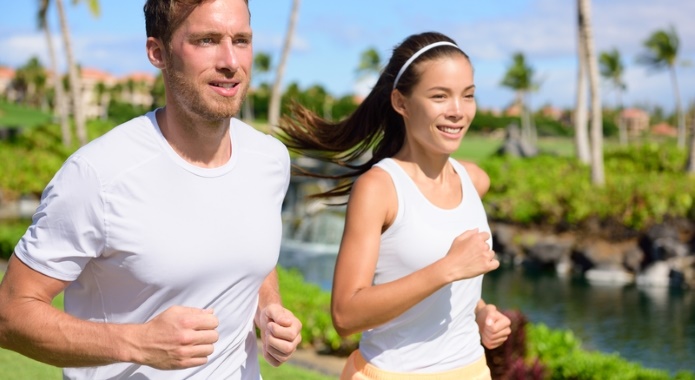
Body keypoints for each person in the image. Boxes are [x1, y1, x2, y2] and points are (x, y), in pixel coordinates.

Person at [0, 0, 302, 378]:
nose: (230, 60)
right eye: (207, 40)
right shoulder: (97, 175)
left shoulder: (270, 160)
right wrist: (138, 342)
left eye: (241, 40)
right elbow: (10, 314)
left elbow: (251, 248)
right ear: (158, 52)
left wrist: (267, 309)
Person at [278, 31, 511, 379]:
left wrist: (479, 312)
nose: (458, 111)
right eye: (439, 96)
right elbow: (345, 315)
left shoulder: (475, 180)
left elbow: (450, 285)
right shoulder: (380, 188)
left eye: (468, 96)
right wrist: (446, 268)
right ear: (401, 103)